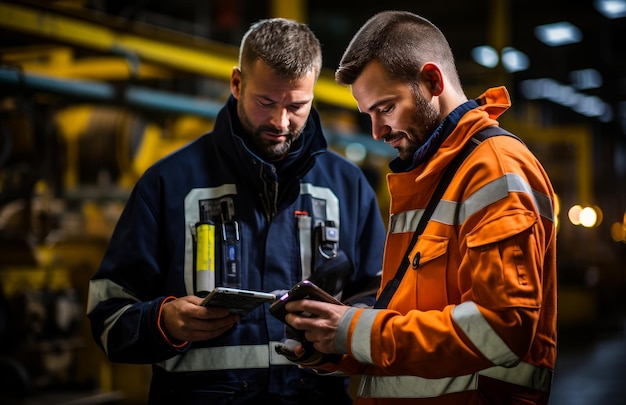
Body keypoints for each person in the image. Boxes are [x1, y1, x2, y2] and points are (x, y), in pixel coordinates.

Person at [86, 17, 386, 404]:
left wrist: (345, 327)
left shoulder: (348, 186)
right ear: (237, 83)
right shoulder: (167, 184)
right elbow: (107, 315)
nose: (281, 122)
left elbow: (382, 300)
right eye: (266, 102)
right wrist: (166, 321)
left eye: (297, 106)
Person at [279, 10, 557, 405]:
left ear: (431, 81)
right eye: (369, 115)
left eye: (386, 108)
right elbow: (409, 330)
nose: (377, 132)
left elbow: (501, 330)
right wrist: (336, 344)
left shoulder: (494, 169)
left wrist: (354, 330)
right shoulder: (431, 178)